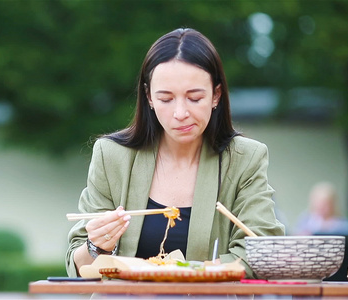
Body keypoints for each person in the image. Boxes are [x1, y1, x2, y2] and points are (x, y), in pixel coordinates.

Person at [66, 28, 285, 279]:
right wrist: (97, 245)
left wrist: (175, 271)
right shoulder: (113, 156)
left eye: (194, 98)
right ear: (149, 97)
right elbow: (78, 270)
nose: (180, 112)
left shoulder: (245, 159)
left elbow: (262, 251)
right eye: (166, 99)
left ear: (216, 95)